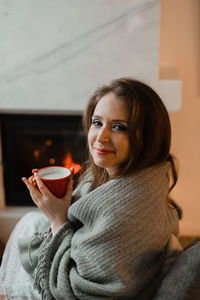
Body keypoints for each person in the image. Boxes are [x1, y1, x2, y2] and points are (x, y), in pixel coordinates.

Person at [0, 77, 182, 299]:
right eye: (97, 123)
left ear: (147, 137)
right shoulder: (132, 177)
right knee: (30, 220)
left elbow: (74, 292)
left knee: (24, 236)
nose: (100, 137)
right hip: (74, 254)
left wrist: (58, 220)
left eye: (119, 127)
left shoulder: (122, 213)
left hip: (64, 286)